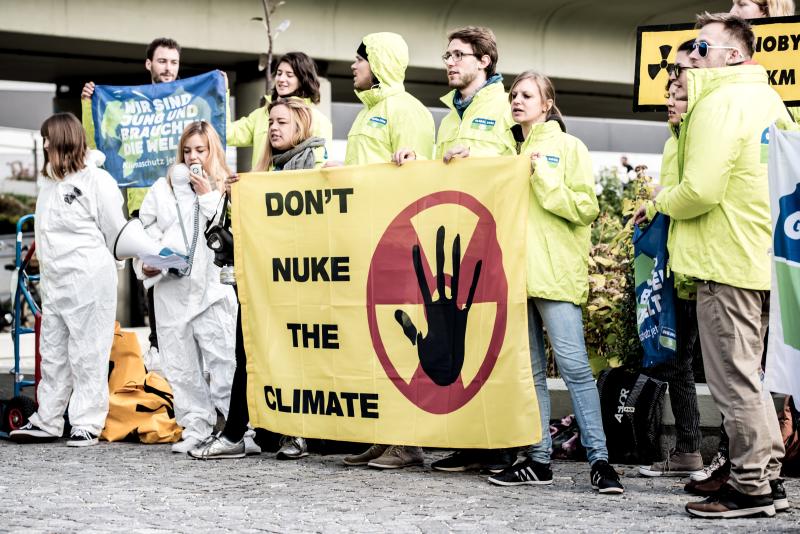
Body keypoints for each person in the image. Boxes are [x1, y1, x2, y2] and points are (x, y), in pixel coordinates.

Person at [634, 12, 790, 518]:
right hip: (761, 257)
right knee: (752, 376)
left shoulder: (719, 102)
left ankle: (750, 487)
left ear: (734, 56)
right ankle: (765, 475)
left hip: (724, 260)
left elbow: (700, 190)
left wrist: (661, 200)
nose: (693, 57)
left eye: (703, 48)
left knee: (733, 381)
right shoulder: (770, 99)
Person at [453, 70, 619, 493]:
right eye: (513, 94)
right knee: (529, 374)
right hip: (513, 276)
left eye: (527, 95)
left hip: (554, 274)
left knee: (575, 368)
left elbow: (586, 208)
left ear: (547, 104)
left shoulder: (568, 147)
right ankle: (539, 458)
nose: (517, 100)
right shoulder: (505, 148)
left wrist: (541, 176)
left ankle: (600, 461)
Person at [394, 26, 516, 474]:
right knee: (464, 343)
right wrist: (415, 163)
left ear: (485, 60)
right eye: (447, 55)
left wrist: (479, 160)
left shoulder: (505, 105)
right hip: (456, 246)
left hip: (494, 244)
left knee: (492, 343)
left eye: (459, 55)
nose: (450, 62)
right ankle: (470, 443)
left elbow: (522, 160)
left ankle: (500, 447)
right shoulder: (448, 118)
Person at [189, 99, 327, 461]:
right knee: (248, 352)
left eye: (282, 121)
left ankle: (292, 434)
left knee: (295, 355)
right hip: (260, 280)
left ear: (301, 124)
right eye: (270, 123)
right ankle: (238, 433)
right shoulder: (263, 170)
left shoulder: (318, 165)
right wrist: (240, 197)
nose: (274, 129)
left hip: (298, 281)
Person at [337, 32, 435, 470]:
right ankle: (384, 434)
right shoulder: (366, 115)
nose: (352, 67)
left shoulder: (408, 110)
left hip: (398, 242)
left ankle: (408, 440)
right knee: (374, 341)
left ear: (377, 62)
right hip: (367, 240)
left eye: (359, 60)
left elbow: (418, 175)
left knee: (400, 339)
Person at [9, 113, 126, 446]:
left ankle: (87, 422)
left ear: (62, 140)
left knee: (88, 354)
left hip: (89, 281)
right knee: (54, 354)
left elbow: (115, 232)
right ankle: (48, 419)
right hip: (56, 283)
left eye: (47, 139)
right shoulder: (49, 181)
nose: (44, 144)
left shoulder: (97, 181)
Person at [80, 37, 182, 382]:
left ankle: (180, 352)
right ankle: (159, 352)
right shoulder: (129, 107)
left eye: (173, 62)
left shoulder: (187, 104)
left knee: (183, 272)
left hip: (182, 210)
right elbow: (100, 145)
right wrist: (87, 106)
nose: (168, 68)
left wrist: (217, 91)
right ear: (148, 65)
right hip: (145, 212)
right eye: (162, 61)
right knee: (152, 278)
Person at [135, 121, 237, 454]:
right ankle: (195, 426)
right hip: (171, 291)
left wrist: (207, 196)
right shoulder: (161, 190)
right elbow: (143, 231)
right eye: (187, 150)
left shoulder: (227, 185)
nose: (193, 157)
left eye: (201, 150)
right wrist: (146, 262)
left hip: (212, 289)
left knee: (225, 362)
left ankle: (239, 429)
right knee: (181, 366)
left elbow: (224, 235)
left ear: (213, 151)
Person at [638, 41, 706, 480]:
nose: (670, 102)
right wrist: (652, 207)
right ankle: (690, 451)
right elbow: (670, 194)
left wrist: (664, 201)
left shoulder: (699, 136)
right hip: (676, 265)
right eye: (668, 96)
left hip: (704, 263)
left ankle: (699, 452)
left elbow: (692, 194)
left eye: (678, 96)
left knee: (692, 362)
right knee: (678, 360)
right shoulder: (672, 142)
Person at [226, 52, 333, 170]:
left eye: (289, 75)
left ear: (303, 79)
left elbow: (321, 164)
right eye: (279, 73)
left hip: (295, 186)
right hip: (261, 186)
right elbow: (227, 134)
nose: (281, 79)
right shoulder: (261, 114)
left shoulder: (318, 119)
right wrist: (222, 93)